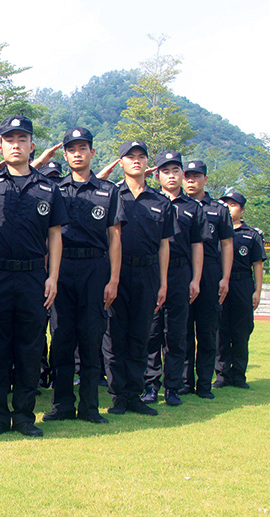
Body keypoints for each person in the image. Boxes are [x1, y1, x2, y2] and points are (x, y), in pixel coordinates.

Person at [0, 116, 67, 437]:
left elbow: (54, 235)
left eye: (22, 139)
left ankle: (25, 416)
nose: (16, 144)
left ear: (32, 145)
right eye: (9, 139)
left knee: (30, 349)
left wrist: (53, 276)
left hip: (32, 278)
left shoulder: (48, 187)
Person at [45, 127, 124, 424]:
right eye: (72, 149)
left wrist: (114, 279)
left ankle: (90, 407)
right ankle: (62, 404)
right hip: (62, 269)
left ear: (92, 152)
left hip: (95, 270)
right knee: (62, 337)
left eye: (83, 148)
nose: (77, 153)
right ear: (65, 155)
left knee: (91, 339)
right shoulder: (54, 190)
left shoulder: (108, 191)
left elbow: (115, 237)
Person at [104, 141, 173, 416]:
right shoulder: (112, 194)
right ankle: (118, 396)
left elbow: (164, 245)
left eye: (141, 157)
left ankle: (135, 394)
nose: (135, 161)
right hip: (116, 274)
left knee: (140, 336)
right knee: (114, 337)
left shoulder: (160, 201)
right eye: (129, 157)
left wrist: (163, 283)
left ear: (148, 164)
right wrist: (112, 278)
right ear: (120, 162)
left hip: (147, 273)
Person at [142, 151, 209, 407]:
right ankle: (150, 385)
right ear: (157, 174)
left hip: (180, 273)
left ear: (182, 174)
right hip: (153, 272)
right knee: (152, 331)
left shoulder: (193, 207)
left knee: (176, 333)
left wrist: (196, 279)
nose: (172, 176)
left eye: (176, 171)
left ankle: (173, 387)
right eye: (166, 171)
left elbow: (197, 246)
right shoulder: (150, 201)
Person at [181, 160, 234, 398]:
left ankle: (204, 383)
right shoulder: (177, 205)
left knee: (207, 330)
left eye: (196, 176)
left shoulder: (219, 209)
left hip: (211, 272)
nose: (191, 180)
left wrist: (225, 278)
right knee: (181, 331)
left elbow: (227, 244)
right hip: (183, 270)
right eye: (188, 176)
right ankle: (184, 382)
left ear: (206, 179)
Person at [215, 191, 265, 389]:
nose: (228, 207)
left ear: (242, 209)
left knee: (241, 331)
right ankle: (222, 375)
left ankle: (239, 375)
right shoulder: (215, 231)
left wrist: (257, 291)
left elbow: (257, 265)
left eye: (233, 204)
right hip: (220, 284)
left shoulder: (252, 235)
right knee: (220, 330)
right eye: (225, 203)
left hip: (242, 284)